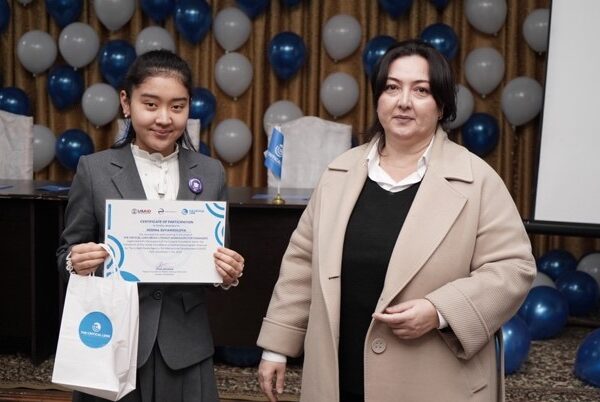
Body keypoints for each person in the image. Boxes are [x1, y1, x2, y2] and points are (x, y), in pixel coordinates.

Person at [256, 39, 536, 402]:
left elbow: (513, 268)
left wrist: (439, 311)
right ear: (378, 99)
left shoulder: (476, 179)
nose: (403, 101)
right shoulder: (339, 173)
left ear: (442, 106)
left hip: (434, 380)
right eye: (392, 87)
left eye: (421, 90)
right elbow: (301, 264)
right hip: (339, 373)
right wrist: (277, 346)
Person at [56, 50, 245, 402]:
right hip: (112, 343)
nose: (164, 118)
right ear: (127, 103)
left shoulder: (210, 172)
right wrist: (76, 263)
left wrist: (228, 273)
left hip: (186, 347)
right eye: (151, 104)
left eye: (177, 106)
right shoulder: (94, 170)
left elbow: (216, 260)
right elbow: (66, 255)